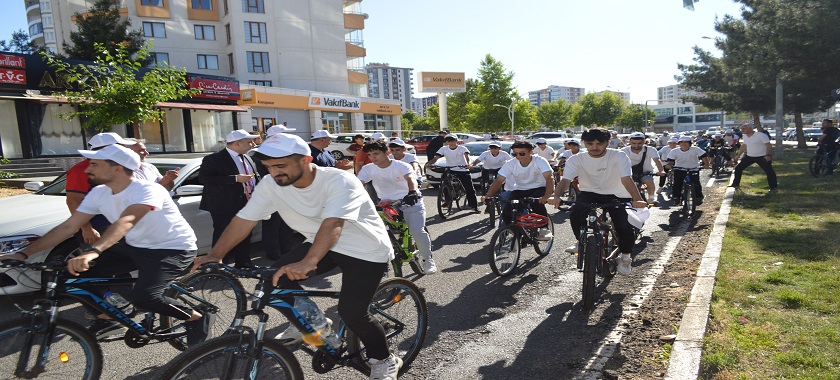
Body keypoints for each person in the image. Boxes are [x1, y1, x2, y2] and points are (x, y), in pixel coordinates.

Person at [192, 134, 403, 379]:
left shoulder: (339, 180)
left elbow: (333, 223)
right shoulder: (272, 184)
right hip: (319, 242)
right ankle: (317, 323)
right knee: (275, 279)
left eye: (280, 166)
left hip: (365, 249)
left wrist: (309, 262)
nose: (274, 173)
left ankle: (384, 359)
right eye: (269, 167)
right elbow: (244, 220)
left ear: (305, 160)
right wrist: (216, 254)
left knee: (352, 311)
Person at [1, 144, 210, 343]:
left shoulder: (147, 190)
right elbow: (68, 227)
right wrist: (24, 254)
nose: (87, 169)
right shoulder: (99, 192)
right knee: (70, 278)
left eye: (95, 164)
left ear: (117, 169)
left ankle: (196, 317)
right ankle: (108, 316)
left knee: (144, 299)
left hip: (172, 248)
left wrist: (93, 251)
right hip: (135, 245)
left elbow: (126, 221)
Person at [551, 128, 647, 275]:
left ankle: (626, 257)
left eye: (599, 143)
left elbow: (626, 179)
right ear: (584, 143)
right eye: (590, 143)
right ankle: (581, 241)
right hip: (590, 193)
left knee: (624, 226)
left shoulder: (619, 156)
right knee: (576, 214)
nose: (594, 147)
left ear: (608, 143)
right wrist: (556, 195)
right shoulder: (576, 159)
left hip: (618, 194)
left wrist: (637, 199)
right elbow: (565, 180)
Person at [358, 140, 437, 274]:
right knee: (375, 232)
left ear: (387, 153)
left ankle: (427, 259)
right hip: (386, 204)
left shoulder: (401, 166)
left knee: (417, 230)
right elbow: (358, 184)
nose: (373, 157)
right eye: (370, 155)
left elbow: (411, 178)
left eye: (376, 153)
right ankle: (383, 262)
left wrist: (412, 192)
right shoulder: (368, 168)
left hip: (410, 200)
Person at [199, 129, 260, 268]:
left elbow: (255, 177)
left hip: (247, 203)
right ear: (237, 143)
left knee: (245, 233)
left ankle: (243, 262)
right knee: (223, 233)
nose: (252, 144)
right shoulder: (214, 159)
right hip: (224, 205)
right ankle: (218, 264)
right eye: (249, 141)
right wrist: (234, 179)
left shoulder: (248, 157)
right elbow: (204, 178)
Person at [66, 132, 138, 247]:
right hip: (99, 225)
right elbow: (73, 200)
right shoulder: (80, 170)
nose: (125, 149)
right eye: (121, 146)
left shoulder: (115, 166)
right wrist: (87, 229)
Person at [482, 140, 554, 240]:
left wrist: (546, 196)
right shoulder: (511, 163)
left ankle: (544, 229)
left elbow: (549, 178)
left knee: (536, 202)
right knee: (508, 210)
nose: (518, 156)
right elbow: (498, 180)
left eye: (522, 153)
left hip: (539, 188)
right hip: (520, 189)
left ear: (531, 152)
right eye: (515, 153)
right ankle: (514, 232)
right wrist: (488, 196)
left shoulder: (540, 161)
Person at [259, 125, 303, 260]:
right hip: (271, 196)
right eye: (285, 134)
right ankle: (273, 254)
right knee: (272, 226)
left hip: (287, 195)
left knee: (286, 224)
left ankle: (286, 251)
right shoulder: (262, 154)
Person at [426, 134, 479, 212]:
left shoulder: (462, 148)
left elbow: (467, 156)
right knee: (444, 181)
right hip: (450, 169)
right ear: (446, 142)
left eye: (453, 140)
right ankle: (447, 201)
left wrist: (468, 164)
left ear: (456, 141)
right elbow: (436, 158)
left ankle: (474, 206)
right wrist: (430, 163)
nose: (451, 142)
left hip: (462, 169)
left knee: (469, 188)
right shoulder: (444, 149)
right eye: (449, 141)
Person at [729, 124, 778, 192]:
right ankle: (735, 184)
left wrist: (768, 155)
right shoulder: (745, 136)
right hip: (749, 156)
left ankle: (773, 187)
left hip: (762, 156)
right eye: (741, 129)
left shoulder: (761, 135)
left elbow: (768, 145)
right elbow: (744, 145)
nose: (742, 130)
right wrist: (738, 155)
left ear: (750, 128)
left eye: (744, 129)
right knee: (738, 168)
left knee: (769, 172)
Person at [621, 132, 665, 205]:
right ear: (629, 142)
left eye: (639, 143)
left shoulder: (651, 149)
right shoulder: (623, 150)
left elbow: (657, 161)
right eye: (634, 143)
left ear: (644, 142)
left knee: (649, 182)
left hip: (645, 172)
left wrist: (661, 171)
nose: (636, 146)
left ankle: (651, 199)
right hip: (629, 172)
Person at [665, 136, 710, 205]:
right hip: (679, 168)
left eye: (686, 142)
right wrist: (669, 165)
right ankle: (677, 198)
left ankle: (698, 197)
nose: (684, 144)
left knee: (696, 183)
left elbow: (704, 156)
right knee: (677, 184)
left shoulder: (695, 149)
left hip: (693, 168)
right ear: (679, 144)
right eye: (681, 142)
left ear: (690, 143)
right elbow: (670, 160)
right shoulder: (674, 151)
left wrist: (707, 165)